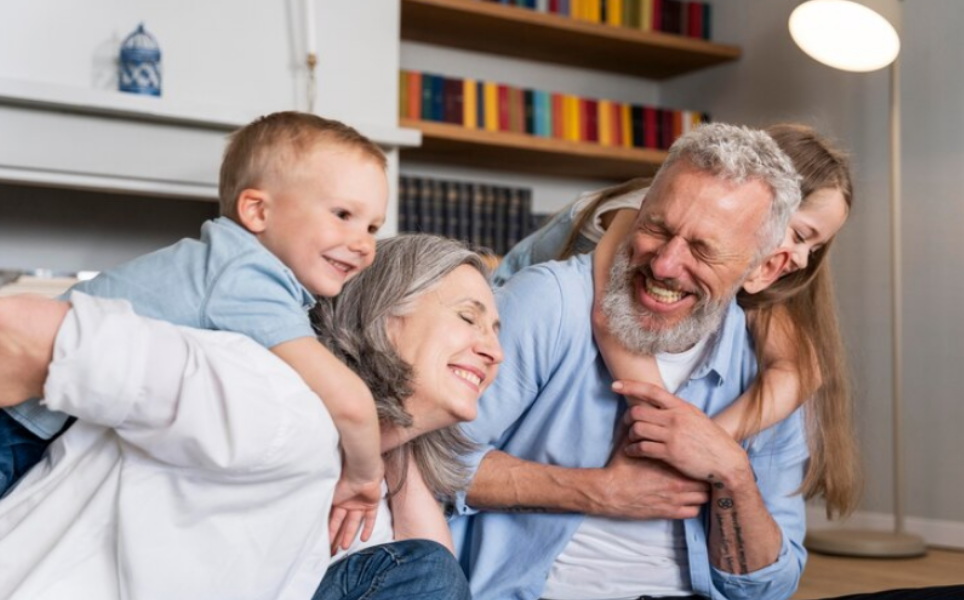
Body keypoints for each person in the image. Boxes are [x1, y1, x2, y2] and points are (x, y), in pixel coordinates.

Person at [0, 233, 501, 600]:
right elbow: (22, 330)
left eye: (496, 331)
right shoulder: (264, 391)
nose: (494, 351)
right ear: (383, 316)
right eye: (468, 318)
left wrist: (389, 444)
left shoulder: (361, 492)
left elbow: (434, 575)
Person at [450, 123, 810, 600]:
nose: (663, 265)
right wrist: (598, 491)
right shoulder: (549, 302)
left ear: (764, 269)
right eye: (656, 227)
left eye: (702, 249)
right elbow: (426, 459)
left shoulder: (765, 375)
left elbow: (768, 587)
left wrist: (733, 473)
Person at [0, 112, 389, 538]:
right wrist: (366, 480)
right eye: (343, 214)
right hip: (16, 421)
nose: (363, 244)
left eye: (372, 227)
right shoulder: (247, 277)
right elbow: (349, 401)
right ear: (257, 211)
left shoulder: (228, 265)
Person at [494, 123, 859, 518]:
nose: (803, 259)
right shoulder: (644, 211)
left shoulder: (752, 269)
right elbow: (608, 318)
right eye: (801, 235)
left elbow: (800, 370)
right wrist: (665, 439)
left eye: (816, 247)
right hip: (497, 309)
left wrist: (710, 440)